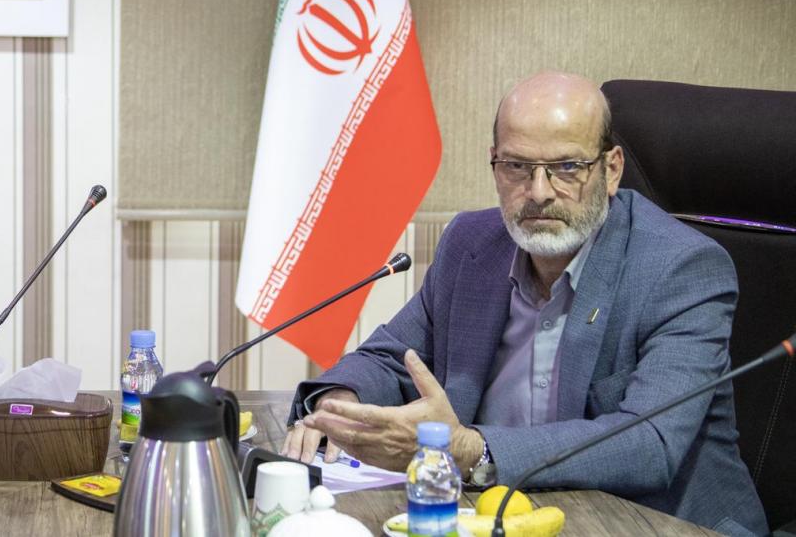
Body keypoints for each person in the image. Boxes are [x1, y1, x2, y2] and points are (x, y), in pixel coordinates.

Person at [281, 71, 766, 536]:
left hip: (654, 524)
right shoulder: (471, 244)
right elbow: (392, 356)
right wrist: (341, 402)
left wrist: (472, 449)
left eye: (567, 168)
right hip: (501, 515)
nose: (539, 192)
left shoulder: (681, 268)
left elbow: (649, 443)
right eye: (517, 166)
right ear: (494, 164)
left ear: (611, 169)